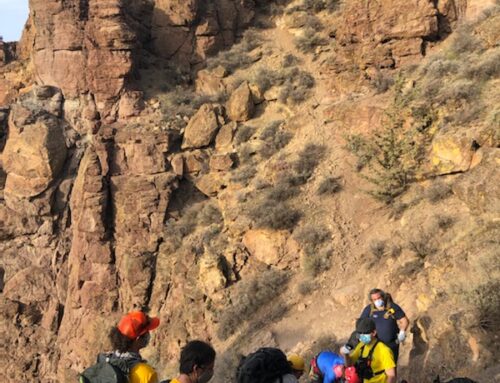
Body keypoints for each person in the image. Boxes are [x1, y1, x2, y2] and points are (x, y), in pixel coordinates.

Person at [102, 310, 160, 383]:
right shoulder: (145, 373)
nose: (148, 334)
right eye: (147, 332)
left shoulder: (106, 361)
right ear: (138, 339)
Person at [359, 289, 409, 362]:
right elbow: (361, 324)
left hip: (391, 344)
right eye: (374, 299)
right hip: (375, 345)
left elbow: (404, 320)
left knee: (391, 366)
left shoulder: (392, 307)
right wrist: (363, 335)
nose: (377, 301)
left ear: (383, 297)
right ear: (372, 301)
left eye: (379, 298)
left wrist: (402, 332)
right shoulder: (368, 310)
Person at [341, 318, 396, 383]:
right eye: (360, 334)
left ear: (374, 333)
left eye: (365, 333)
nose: (362, 336)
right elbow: (349, 364)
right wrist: (345, 354)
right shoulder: (361, 345)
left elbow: (391, 376)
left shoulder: (384, 350)